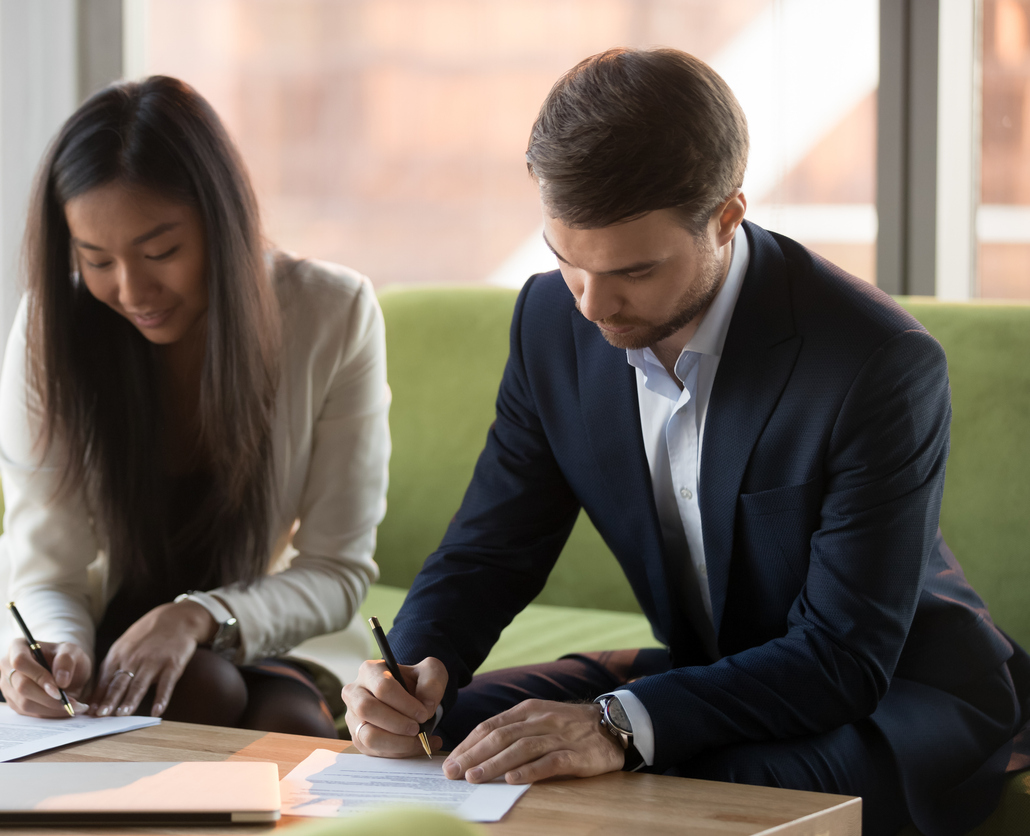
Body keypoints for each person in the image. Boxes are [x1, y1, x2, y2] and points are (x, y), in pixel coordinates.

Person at [342, 48, 1029, 835]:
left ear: (728, 217)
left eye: (634, 269)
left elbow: (843, 655)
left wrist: (613, 726)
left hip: (899, 693)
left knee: (661, 782)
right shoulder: (548, 321)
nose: (594, 306)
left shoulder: (875, 364)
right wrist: (411, 675)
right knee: (448, 738)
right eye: (567, 260)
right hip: (721, 674)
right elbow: (490, 551)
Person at [0, 76, 390, 739]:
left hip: (245, 623)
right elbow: (48, 570)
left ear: (222, 222)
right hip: (78, 623)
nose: (133, 289)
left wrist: (196, 615)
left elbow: (337, 570)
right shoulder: (49, 328)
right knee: (197, 697)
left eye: (161, 252)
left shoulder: (331, 313)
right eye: (97, 260)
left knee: (287, 729)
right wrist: (57, 652)